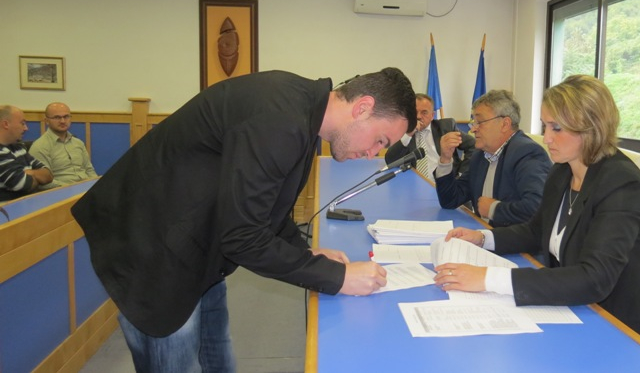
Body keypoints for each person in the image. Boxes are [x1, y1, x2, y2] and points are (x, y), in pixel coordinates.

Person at [70, 68, 416, 372]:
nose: (373, 154)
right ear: (363, 107)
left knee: (218, 361)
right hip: (154, 249)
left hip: (199, 246)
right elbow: (244, 238)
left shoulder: (302, 112)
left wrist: (306, 253)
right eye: (380, 140)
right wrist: (338, 278)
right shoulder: (281, 119)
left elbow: (266, 210)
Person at [433, 75, 640, 365]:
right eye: (545, 126)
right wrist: (483, 238)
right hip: (581, 315)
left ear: (591, 128)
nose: (547, 137)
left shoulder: (622, 184)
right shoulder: (562, 172)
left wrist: (488, 278)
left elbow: (594, 278)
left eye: (557, 128)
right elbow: (536, 230)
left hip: (631, 333)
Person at [435, 90, 551, 227]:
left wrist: (494, 209)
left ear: (505, 124)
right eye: (473, 122)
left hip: (511, 239)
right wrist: (445, 158)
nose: (473, 129)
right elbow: (450, 200)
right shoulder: (480, 155)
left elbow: (538, 208)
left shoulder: (527, 153)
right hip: (483, 233)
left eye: (480, 122)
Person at [384, 93, 475, 180]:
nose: (418, 116)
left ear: (432, 116)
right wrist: (408, 134)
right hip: (414, 183)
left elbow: (473, 144)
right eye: (414, 112)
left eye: (424, 113)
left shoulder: (446, 127)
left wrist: (462, 173)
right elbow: (390, 161)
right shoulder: (403, 130)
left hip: (445, 182)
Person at [29, 102, 98, 189]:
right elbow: (44, 182)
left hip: (85, 189)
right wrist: (71, 189)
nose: (62, 121)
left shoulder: (78, 143)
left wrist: (95, 186)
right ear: (46, 121)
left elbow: (89, 170)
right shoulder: (39, 147)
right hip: (61, 192)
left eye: (66, 117)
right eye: (57, 117)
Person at [0, 105, 53, 202]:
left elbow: (48, 175)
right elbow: (23, 185)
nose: (26, 128)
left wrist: (29, 173)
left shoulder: (18, 147)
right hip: (8, 209)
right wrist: (35, 176)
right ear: (6, 124)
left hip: (28, 203)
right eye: (22, 123)